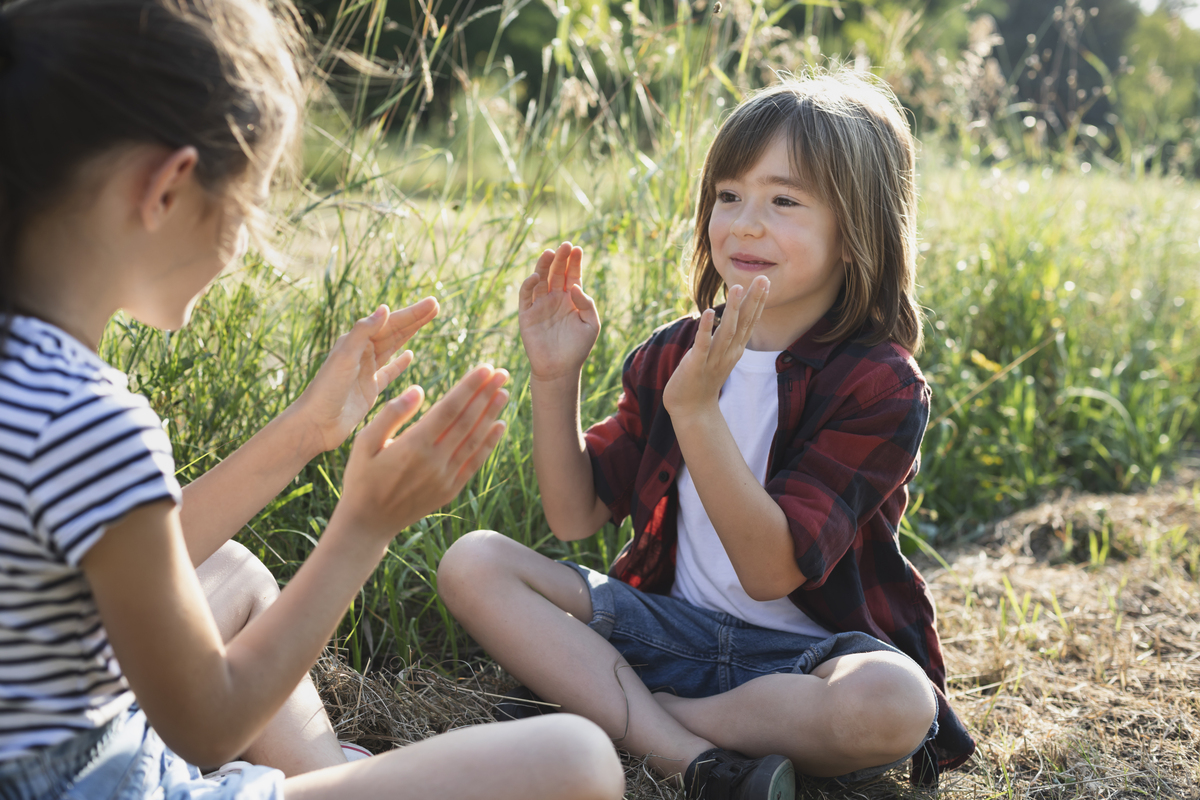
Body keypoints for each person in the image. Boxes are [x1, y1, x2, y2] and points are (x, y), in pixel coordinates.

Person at [0, 0, 627, 798]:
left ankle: (327, 777)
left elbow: (116, 546)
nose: (248, 238)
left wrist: (306, 430)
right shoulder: (88, 418)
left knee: (225, 566)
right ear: (168, 188)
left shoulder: (31, 380)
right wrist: (366, 523)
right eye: (250, 205)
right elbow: (205, 720)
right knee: (576, 763)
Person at [437, 71, 977, 800]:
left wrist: (696, 412)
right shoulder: (674, 350)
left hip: (803, 663)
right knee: (474, 562)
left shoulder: (879, 385)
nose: (745, 223)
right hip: (668, 630)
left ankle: (626, 717)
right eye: (729, 196)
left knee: (896, 703)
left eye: (783, 200)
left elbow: (770, 572)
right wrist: (555, 377)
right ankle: (692, 759)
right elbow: (574, 516)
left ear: (857, 234)